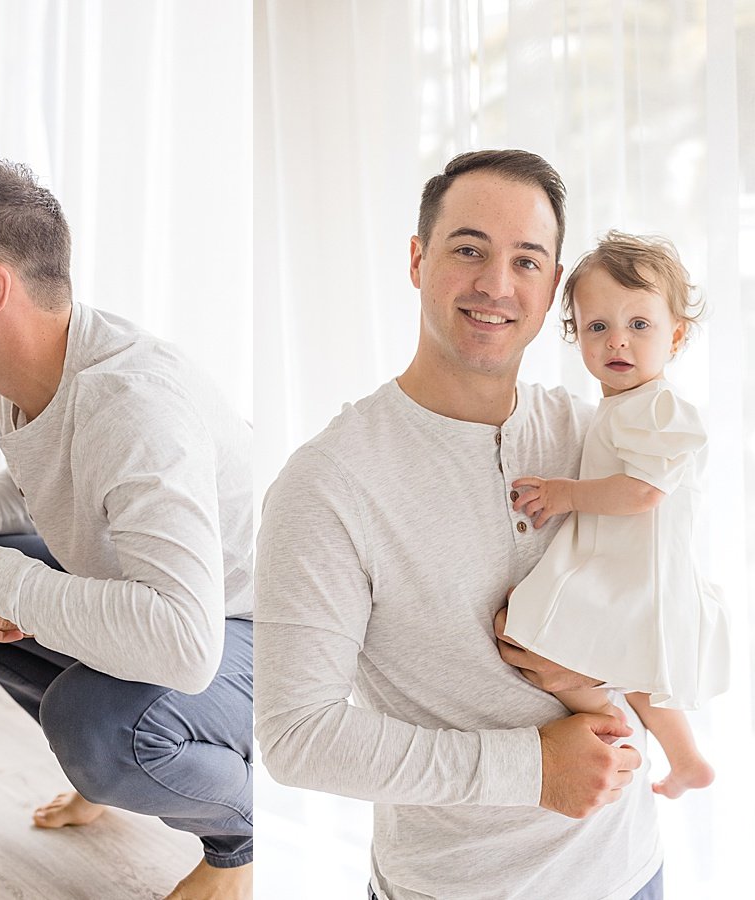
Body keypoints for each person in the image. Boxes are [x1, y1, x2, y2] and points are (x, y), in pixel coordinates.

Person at [254, 150, 662, 900]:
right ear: (417, 259)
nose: (496, 286)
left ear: (553, 292)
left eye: (527, 261)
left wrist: (586, 685)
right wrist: (532, 768)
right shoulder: (328, 485)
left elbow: (669, 614)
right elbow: (296, 737)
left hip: (628, 872)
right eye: (469, 249)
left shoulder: (591, 439)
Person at [0, 160, 254, 899]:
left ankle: (241, 843)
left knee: (97, 725)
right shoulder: (29, 374)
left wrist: (9, 582)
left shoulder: (133, 408)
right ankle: (113, 778)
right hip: (163, 608)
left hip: (246, 625)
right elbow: (63, 481)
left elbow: (185, 645)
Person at [503, 231, 730, 799]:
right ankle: (684, 759)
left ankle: (609, 730)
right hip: (625, 565)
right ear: (576, 336)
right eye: (597, 327)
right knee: (633, 675)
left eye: (640, 325)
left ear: (676, 335)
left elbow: (644, 491)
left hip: (637, 571)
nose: (617, 342)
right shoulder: (622, 406)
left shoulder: (658, 406)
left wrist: (566, 494)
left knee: (525, 632)